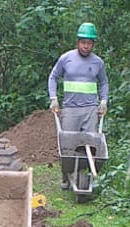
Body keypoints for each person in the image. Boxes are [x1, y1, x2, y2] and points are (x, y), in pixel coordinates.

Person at [48, 22, 109, 190]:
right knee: (67, 147)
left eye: (89, 43)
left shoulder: (98, 62)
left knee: (90, 144)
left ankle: (86, 174)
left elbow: (104, 83)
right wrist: (54, 98)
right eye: (83, 42)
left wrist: (103, 101)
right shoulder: (66, 58)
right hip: (70, 109)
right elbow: (53, 77)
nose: (86, 46)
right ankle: (65, 177)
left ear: (93, 44)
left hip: (90, 110)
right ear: (78, 42)